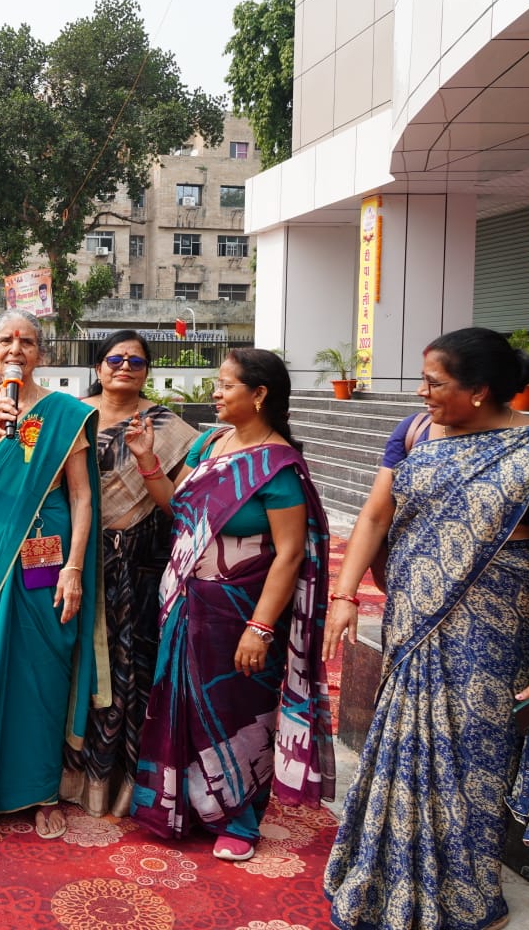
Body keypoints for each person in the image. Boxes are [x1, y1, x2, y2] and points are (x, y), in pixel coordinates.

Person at [323, 328, 529, 930]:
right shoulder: (414, 433)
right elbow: (374, 516)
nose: (422, 393)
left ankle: (467, 898)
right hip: (414, 624)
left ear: (479, 390)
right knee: (402, 750)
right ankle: (384, 881)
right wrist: (345, 595)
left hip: (493, 635)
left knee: (472, 764)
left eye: (434, 383)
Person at [132, 347, 335, 863]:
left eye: (226, 385)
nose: (215, 393)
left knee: (234, 710)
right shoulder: (211, 443)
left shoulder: (278, 468)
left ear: (259, 394)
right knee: (180, 704)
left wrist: (260, 628)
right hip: (185, 603)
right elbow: (179, 509)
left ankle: (238, 820)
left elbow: (290, 554)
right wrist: (146, 460)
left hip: (240, 610)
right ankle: (183, 808)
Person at [0, 309, 103, 840]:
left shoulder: (65, 413)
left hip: (47, 548)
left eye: (27, 342)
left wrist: (74, 568)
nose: (16, 349)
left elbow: (81, 496)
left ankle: (41, 791)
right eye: (7, 340)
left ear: (41, 353)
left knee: (43, 666)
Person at [59, 331, 195, 817]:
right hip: (72, 558)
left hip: (137, 564)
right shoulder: (69, 416)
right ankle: (63, 776)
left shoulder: (170, 427)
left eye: (136, 362)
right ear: (98, 366)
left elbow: (180, 506)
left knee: (128, 667)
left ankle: (116, 783)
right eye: (115, 359)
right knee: (70, 660)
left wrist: (148, 459)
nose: (125, 367)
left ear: (147, 371)